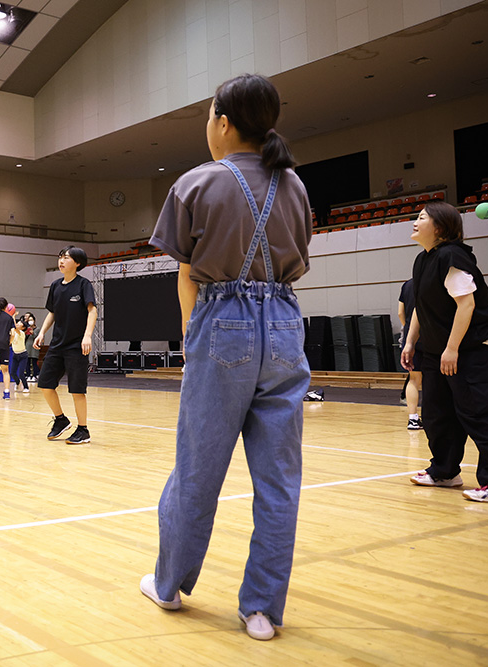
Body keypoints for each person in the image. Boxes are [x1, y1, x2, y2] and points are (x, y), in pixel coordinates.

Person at [140, 74, 312, 641]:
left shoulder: (197, 183)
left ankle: (169, 585)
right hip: (286, 324)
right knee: (280, 479)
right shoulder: (295, 187)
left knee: (198, 468)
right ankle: (261, 609)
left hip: (223, 325)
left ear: (222, 121)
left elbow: (186, 274)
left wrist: (195, 341)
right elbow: (295, 265)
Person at [402, 201, 488, 502]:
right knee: (438, 414)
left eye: (421, 217)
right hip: (439, 351)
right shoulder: (423, 260)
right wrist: (411, 342)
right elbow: (421, 308)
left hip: (471, 349)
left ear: (438, 227)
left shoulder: (452, 256)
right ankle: (445, 471)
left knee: (478, 413)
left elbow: (467, 304)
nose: (414, 221)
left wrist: (452, 348)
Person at [34, 246, 97, 444]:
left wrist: (87, 336)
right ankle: (61, 420)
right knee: (45, 384)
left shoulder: (83, 285)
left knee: (77, 390)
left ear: (77, 263)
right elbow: (52, 312)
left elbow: (92, 311)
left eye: (66, 258)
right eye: (60, 257)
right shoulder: (55, 286)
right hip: (57, 345)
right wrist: (42, 332)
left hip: (77, 346)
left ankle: (83, 430)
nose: (61, 261)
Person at [398, 279, 423, 429]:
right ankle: (429, 417)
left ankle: (413, 419)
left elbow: (401, 312)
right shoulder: (430, 281)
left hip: (409, 334)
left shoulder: (407, 285)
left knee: (413, 378)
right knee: (430, 379)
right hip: (428, 332)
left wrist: (408, 327)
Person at [10, 316, 29, 393]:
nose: (18, 323)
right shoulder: (13, 332)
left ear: (23, 327)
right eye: (17, 322)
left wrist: (13, 317)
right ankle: (17, 382)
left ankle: (26, 387)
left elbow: (15, 327)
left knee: (21, 373)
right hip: (15, 354)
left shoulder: (21, 333)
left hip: (23, 355)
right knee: (12, 373)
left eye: (20, 323)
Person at [23, 312, 40, 380]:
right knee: (27, 362)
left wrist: (33, 333)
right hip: (27, 346)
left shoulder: (38, 329)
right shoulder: (27, 328)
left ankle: (35, 375)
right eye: (29, 320)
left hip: (34, 348)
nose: (30, 321)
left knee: (34, 362)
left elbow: (37, 337)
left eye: (31, 320)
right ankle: (28, 375)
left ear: (34, 321)